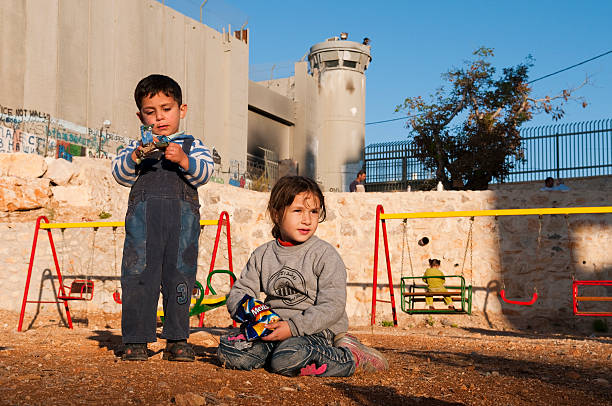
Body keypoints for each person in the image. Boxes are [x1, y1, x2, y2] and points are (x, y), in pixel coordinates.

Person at [217, 176, 388, 376]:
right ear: (277, 214)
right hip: (273, 328)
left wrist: (293, 327)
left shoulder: (324, 255)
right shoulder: (262, 254)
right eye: (298, 211)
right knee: (232, 352)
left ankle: (351, 357)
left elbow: (332, 306)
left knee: (288, 357)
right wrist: (250, 311)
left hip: (316, 330)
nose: (307, 219)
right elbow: (241, 291)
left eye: (313, 211)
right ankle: (277, 356)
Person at [111, 74, 214, 362]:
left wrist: (183, 159)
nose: (159, 118)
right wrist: (135, 158)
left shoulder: (193, 145)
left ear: (181, 110)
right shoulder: (134, 148)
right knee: (138, 277)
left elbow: (205, 174)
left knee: (179, 278)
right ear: (140, 115)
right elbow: (119, 174)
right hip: (142, 228)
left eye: (166, 109)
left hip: (182, 228)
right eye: (150, 112)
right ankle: (136, 339)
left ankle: (177, 339)